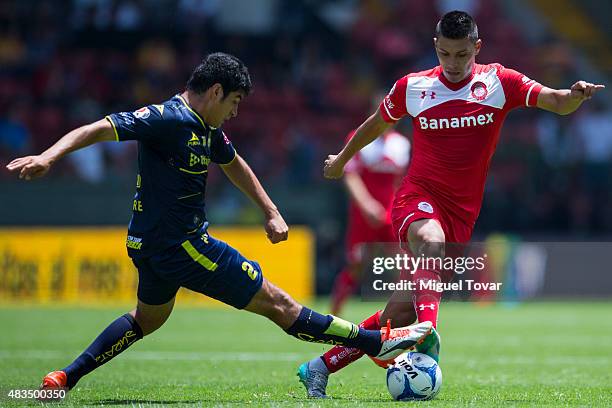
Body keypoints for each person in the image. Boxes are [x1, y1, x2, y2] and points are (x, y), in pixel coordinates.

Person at [6, 52, 434, 396]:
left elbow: (234, 164)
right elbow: (99, 128)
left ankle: (63, 379)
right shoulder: (166, 118)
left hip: (150, 246)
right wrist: (48, 156)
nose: (234, 112)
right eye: (234, 102)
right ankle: (373, 342)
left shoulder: (204, 127)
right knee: (279, 305)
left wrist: (270, 210)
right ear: (215, 91)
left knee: (148, 319)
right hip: (185, 246)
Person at [298, 10, 605, 398]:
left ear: (476, 48)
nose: (454, 63)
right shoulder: (412, 87)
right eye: (445, 54)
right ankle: (428, 334)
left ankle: (319, 367)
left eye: (462, 54)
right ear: (435, 48)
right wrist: (341, 160)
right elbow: (376, 124)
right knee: (432, 241)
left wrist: (573, 96)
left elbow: (555, 101)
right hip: (417, 198)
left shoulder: (499, 81)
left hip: (462, 215)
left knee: (395, 316)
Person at [330, 127, 410, 316]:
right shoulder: (359, 138)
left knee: (403, 264)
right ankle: (334, 316)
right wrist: (366, 205)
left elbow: (401, 180)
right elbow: (350, 174)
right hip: (363, 214)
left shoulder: (401, 144)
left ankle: (404, 317)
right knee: (356, 264)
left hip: (391, 213)